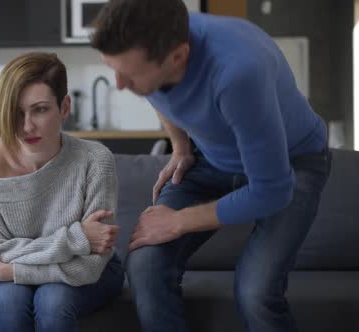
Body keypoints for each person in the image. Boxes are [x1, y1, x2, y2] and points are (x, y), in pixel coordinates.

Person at [90, 1, 331, 331]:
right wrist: (180, 146)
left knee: (255, 292)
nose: (118, 84)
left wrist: (177, 221)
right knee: (146, 266)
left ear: (177, 57)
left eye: (128, 74)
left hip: (292, 163)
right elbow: (154, 92)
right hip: (211, 159)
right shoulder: (156, 43)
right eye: (112, 68)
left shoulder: (237, 73)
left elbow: (271, 190)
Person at [0, 52, 124, 332]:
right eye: (16, 112)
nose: (27, 127)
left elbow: (89, 265)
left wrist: (11, 270)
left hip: (95, 275)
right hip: (49, 265)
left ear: (64, 108)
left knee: (53, 300)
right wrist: (78, 237)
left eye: (40, 109)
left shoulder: (96, 160)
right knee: (9, 301)